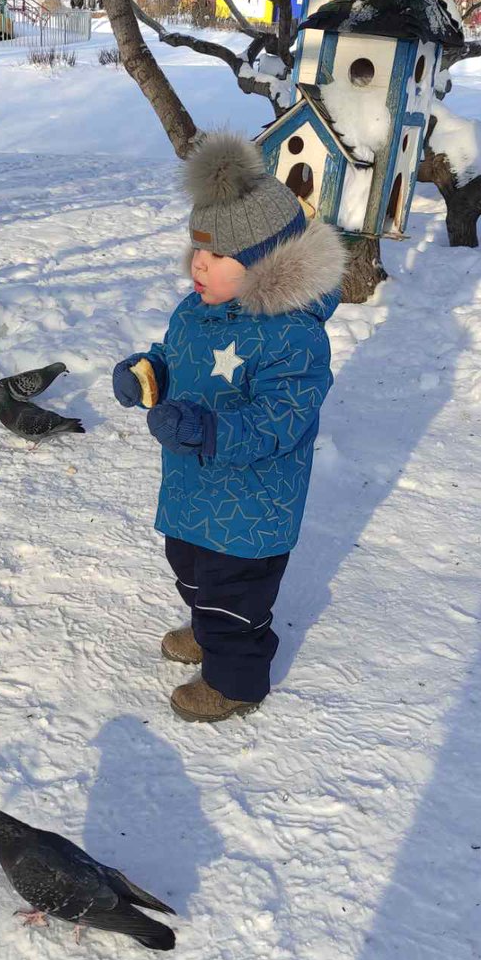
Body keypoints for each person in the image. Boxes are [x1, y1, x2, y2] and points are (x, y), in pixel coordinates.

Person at [112, 132, 345, 723]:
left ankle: (235, 679)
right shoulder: (195, 311)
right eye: (197, 250)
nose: (199, 264)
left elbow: (280, 420)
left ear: (265, 265)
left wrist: (208, 430)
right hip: (193, 490)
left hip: (251, 505)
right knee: (188, 565)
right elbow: (175, 356)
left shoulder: (294, 336)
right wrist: (148, 374)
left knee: (235, 594)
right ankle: (206, 625)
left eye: (217, 258)